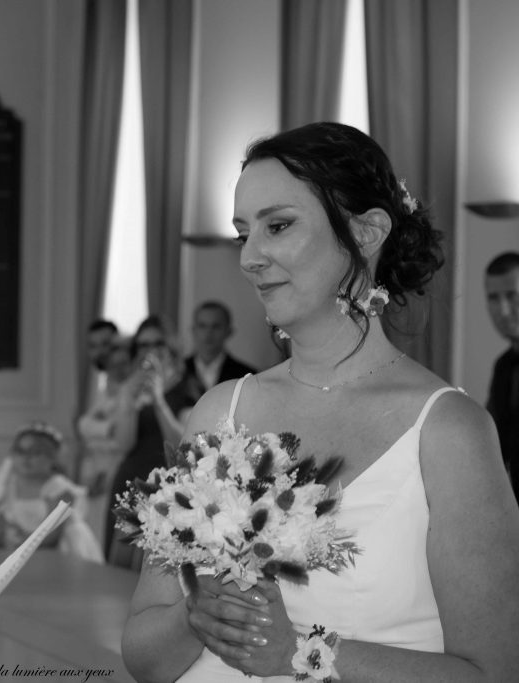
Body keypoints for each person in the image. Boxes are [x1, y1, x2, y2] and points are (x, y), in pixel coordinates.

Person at [122, 122, 519, 682]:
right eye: (243, 234)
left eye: (277, 226)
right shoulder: (220, 412)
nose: (250, 258)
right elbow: (143, 656)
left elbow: (493, 673)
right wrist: (197, 615)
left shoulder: (449, 431)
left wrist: (304, 652)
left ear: (366, 232)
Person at [104, 315, 196, 566]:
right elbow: (123, 444)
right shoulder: (131, 386)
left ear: (171, 347)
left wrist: (159, 402)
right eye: (143, 345)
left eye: (158, 343)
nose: (150, 351)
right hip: (132, 480)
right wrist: (127, 400)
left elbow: (184, 447)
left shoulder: (189, 386)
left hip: (168, 487)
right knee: (118, 565)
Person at [0, 422, 104, 563]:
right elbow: (5, 519)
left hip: (61, 549)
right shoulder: (12, 484)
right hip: (32, 548)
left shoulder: (57, 487)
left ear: (52, 457)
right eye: (20, 451)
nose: (26, 458)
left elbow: (51, 536)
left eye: (36, 453)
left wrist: (20, 544)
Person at [77, 336, 137, 543]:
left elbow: (123, 440)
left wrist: (104, 429)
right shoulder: (101, 395)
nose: (119, 370)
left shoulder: (132, 397)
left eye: (124, 364)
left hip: (118, 470)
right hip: (96, 471)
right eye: (113, 365)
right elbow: (84, 429)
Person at [484, 251, 519, 502]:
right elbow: (493, 447)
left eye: (512, 295)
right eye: (494, 298)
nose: (504, 311)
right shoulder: (504, 366)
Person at [183, 300, 257, 403]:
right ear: (193, 330)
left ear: (229, 331)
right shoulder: (178, 372)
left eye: (216, 326)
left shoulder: (247, 376)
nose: (208, 333)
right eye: (202, 326)